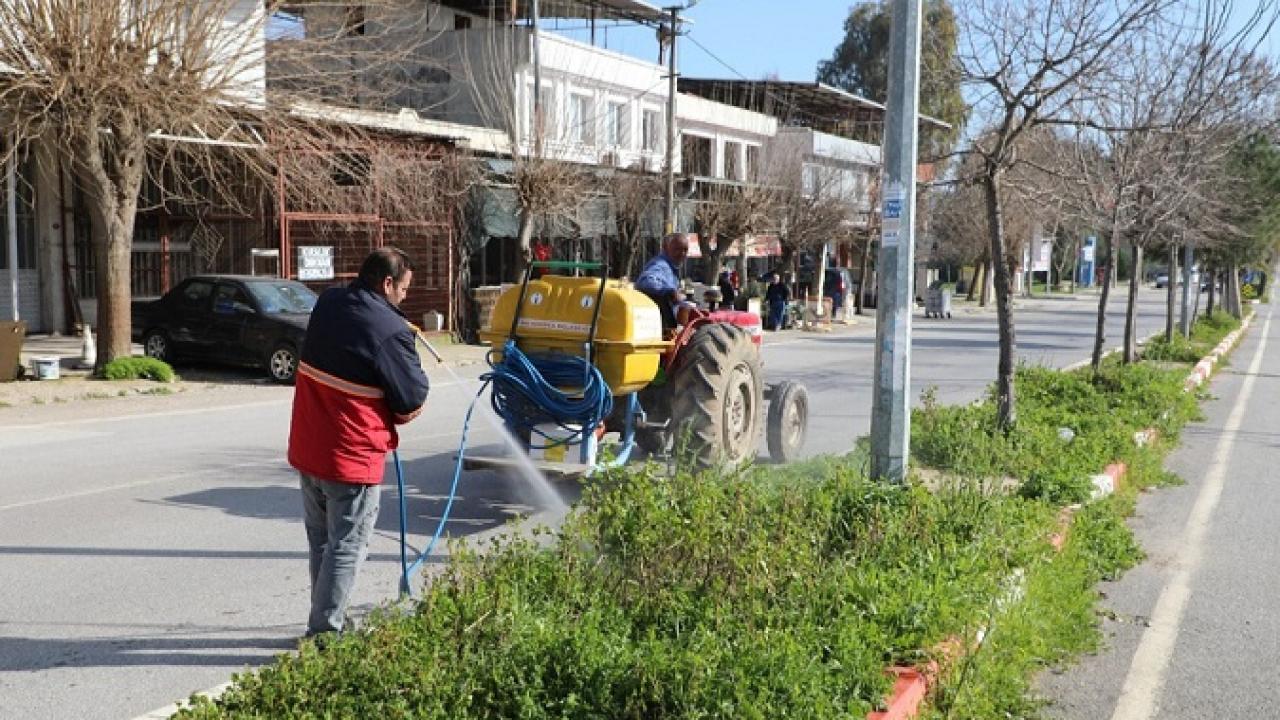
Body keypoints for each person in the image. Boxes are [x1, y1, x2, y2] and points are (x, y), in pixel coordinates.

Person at [287, 247, 430, 640]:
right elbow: (412, 397)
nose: (404, 298)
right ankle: (324, 633)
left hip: (308, 448)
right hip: (351, 457)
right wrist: (401, 338)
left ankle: (326, 619)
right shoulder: (390, 331)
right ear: (387, 284)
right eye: (403, 289)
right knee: (347, 546)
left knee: (322, 542)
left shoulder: (330, 302)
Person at [634, 233, 692, 330]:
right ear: (665, 248)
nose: (682, 253)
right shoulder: (661, 265)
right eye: (677, 249)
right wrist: (670, 291)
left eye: (685, 250)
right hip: (662, 325)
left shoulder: (671, 267)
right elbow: (645, 281)